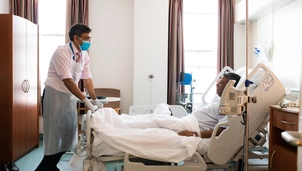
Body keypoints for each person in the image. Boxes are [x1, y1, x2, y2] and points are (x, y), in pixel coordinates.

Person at [35, 23, 103, 171]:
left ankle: (49, 167)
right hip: (54, 95)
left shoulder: (84, 55)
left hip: (69, 97)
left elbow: (88, 79)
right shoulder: (62, 52)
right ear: (75, 37)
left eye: (90, 38)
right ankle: (47, 167)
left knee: (68, 135)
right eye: (86, 38)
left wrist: (94, 99)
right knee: (55, 136)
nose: (89, 42)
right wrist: (85, 100)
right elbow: (68, 81)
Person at [178, 71, 241, 138]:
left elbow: (223, 129)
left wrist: (196, 134)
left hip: (192, 126)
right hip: (187, 121)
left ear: (230, 87)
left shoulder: (227, 105)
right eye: (218, 81)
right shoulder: (218, 98)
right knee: (165, 122)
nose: (217, 84)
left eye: (221, 83)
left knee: (165, 123)